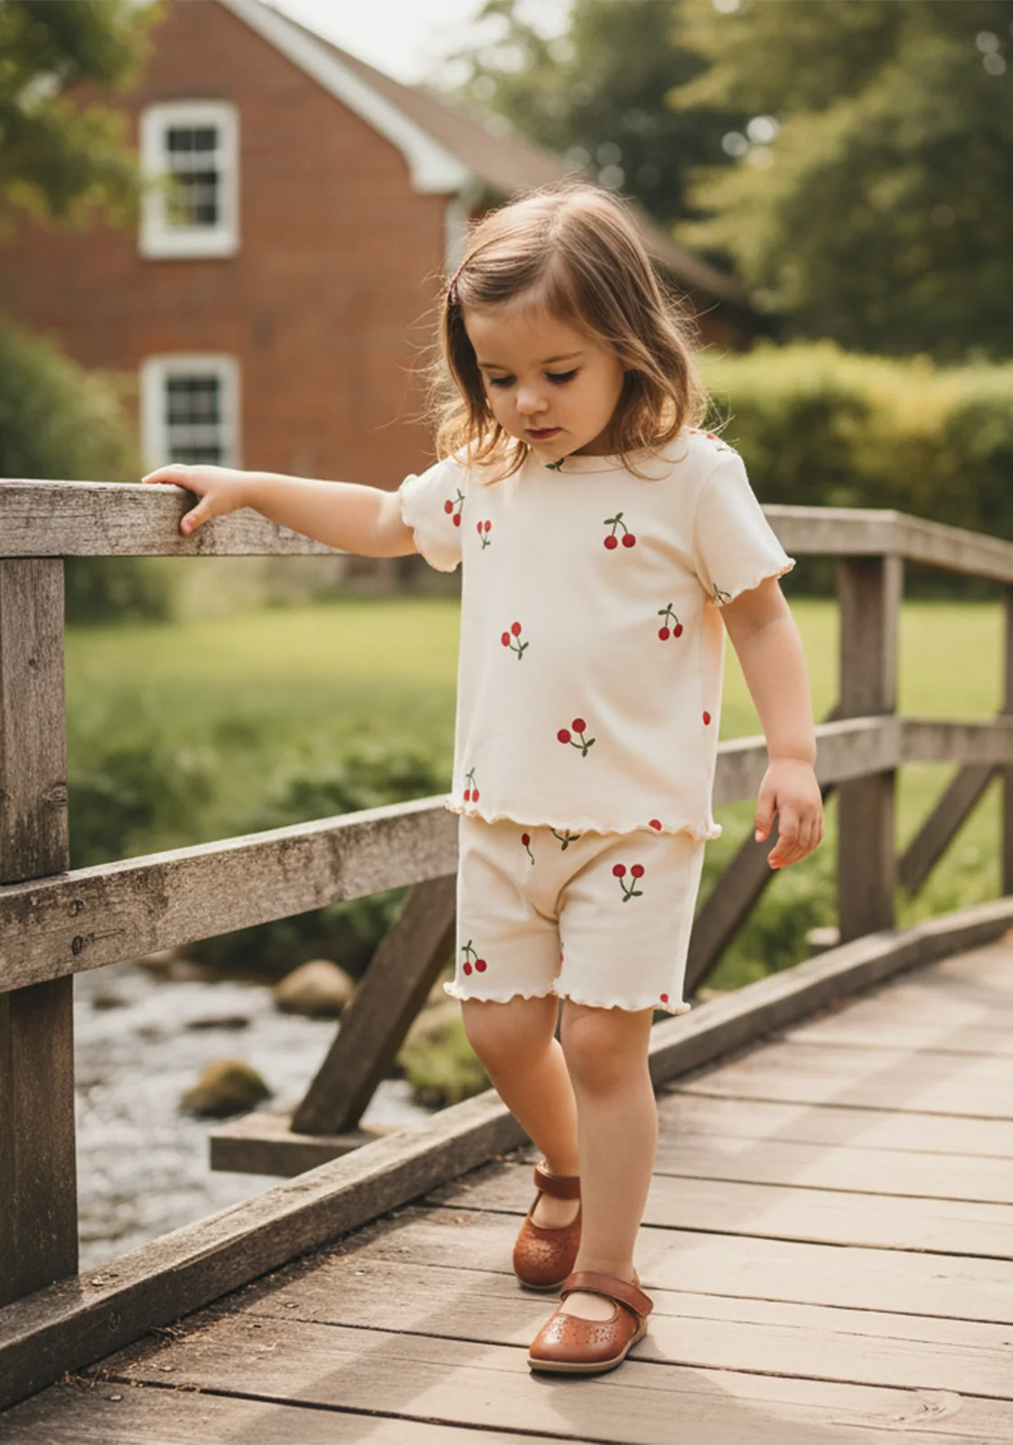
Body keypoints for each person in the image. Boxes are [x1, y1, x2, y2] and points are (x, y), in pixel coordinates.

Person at [143, 180, 823, 1376]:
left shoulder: (693, 476)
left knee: (605, 1047)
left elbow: (762, 618)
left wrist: (792, 753)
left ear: (627, 344)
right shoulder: (489, 469)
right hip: (500, 812)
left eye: (557, 373)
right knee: (504, 1032)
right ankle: (561, 1173)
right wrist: (248, 483)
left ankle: (610, 1275)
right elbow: (381, 519)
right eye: (499, 374)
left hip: (633, 820)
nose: (526, 400)